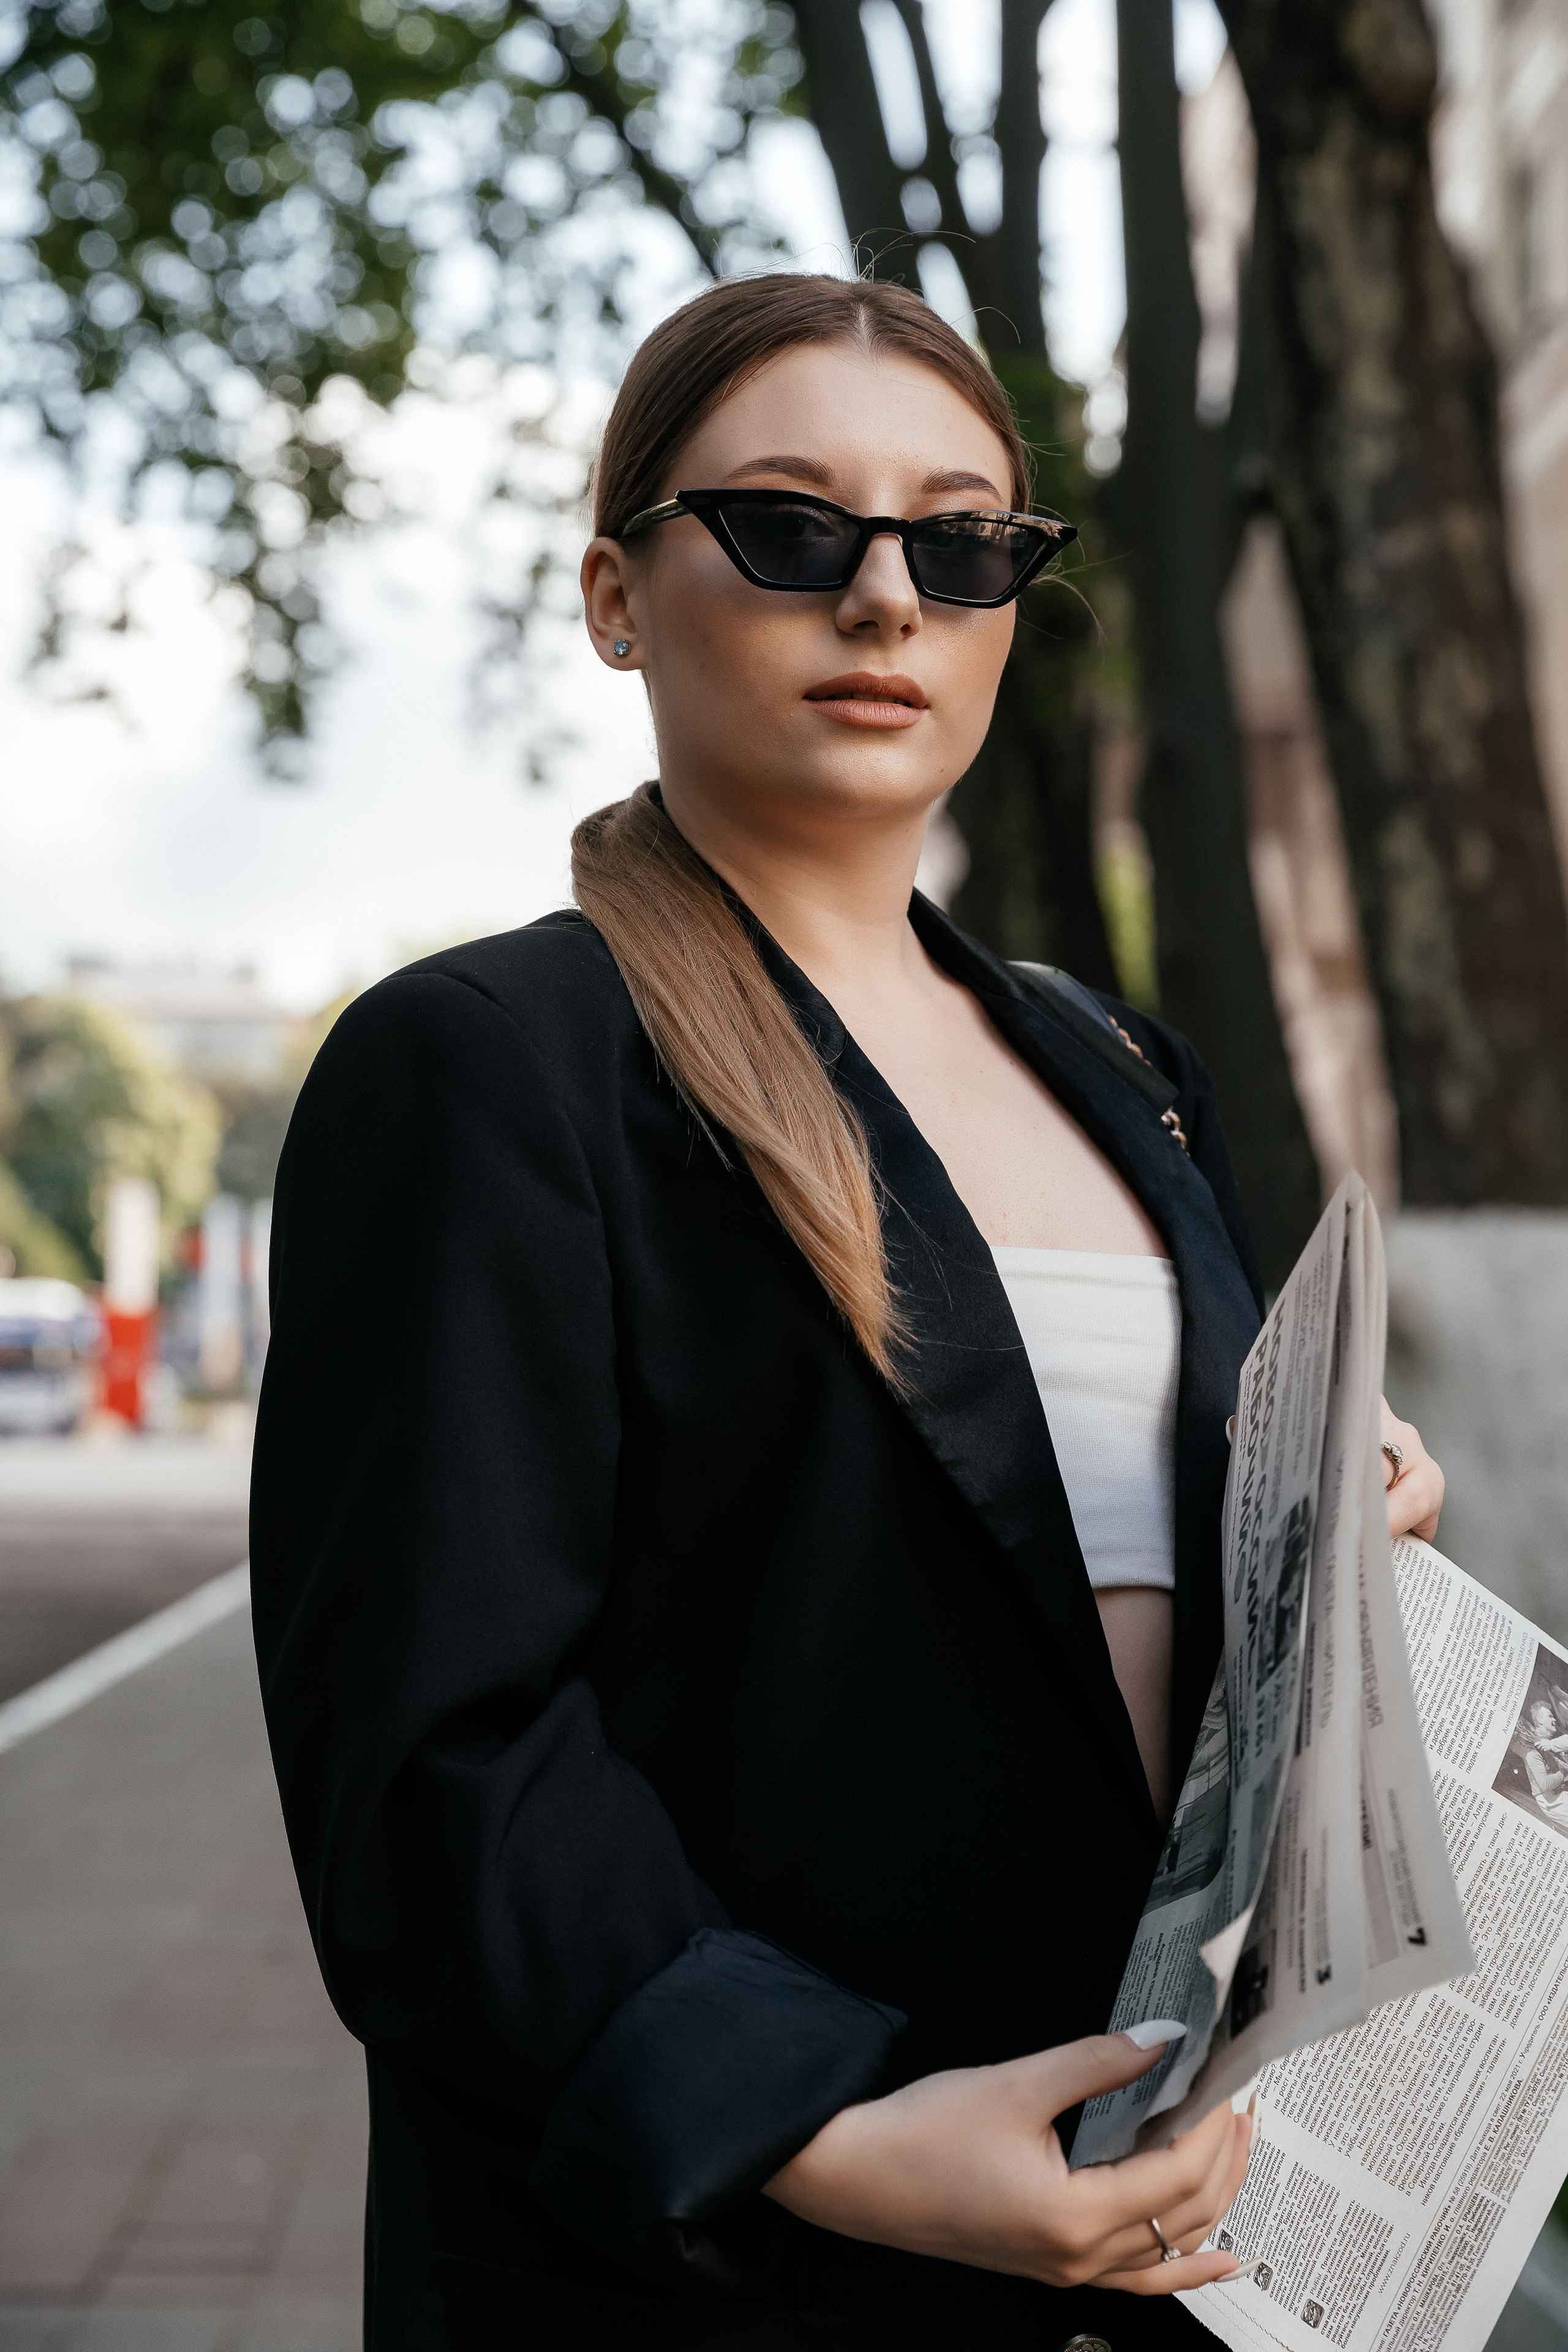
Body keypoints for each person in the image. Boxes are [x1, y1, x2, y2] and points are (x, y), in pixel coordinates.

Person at [250, 274, 1445, 2352]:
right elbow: (439, 1767)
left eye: (963, 539)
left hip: (1173, 2247)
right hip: (737, 2266)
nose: (888, 598)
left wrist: (1337, 1537)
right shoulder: (488, 1065)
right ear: (618, 598)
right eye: (795, 528)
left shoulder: (1118, 1064)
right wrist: (828, 2127)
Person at [1525, 1701, 1568, 1826]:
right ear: (1540, 1720)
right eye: (1550, 1716)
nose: (1554, 1719)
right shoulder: (1533, 1748)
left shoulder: (1551, 1744)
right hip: (1554, 1801)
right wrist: (1565, 1772)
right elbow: (1544, 1785)